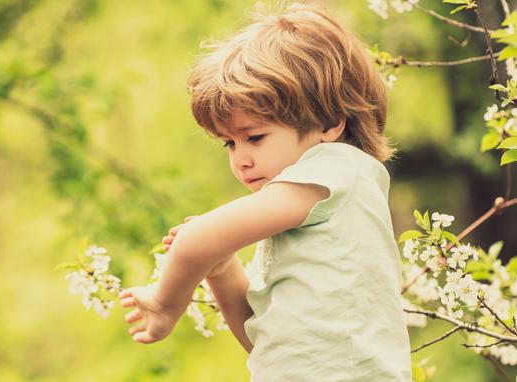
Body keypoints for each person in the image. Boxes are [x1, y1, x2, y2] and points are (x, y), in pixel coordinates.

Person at [118, 2, 412, 381]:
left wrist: (164, 302)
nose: (241, 159)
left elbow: (195, 241)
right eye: (229, 144)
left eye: (254, 137)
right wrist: (222, 270)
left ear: (330, 123)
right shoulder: (305, 217)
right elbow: (268, 346)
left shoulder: (335, 169)